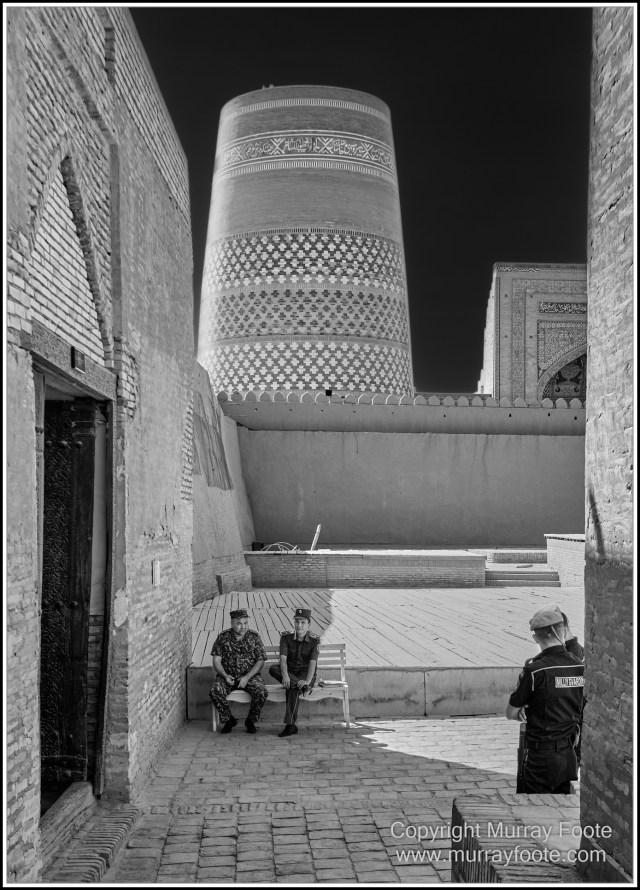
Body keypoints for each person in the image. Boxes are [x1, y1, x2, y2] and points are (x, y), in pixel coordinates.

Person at [507, 605, 584, 794]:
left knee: (534, 810)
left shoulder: (535, 670)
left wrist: (525, 710)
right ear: (562, 632)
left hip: (540, 758)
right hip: (569, 754)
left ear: (535, 638)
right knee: (562, 812)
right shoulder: (580, 666)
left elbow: (510, 712)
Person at [210, 608, 267, 734]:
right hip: (228, 676)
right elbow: (216, 661)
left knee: (261, 692)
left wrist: (247, 677)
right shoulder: (223, 637)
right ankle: (229, 720)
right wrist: (225, 676)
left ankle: (250, 721)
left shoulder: (254, 636)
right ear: (232, 623)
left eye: (245, 623)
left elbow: (260, 660)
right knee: (215, 691)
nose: (243, 626)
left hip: (250, 676)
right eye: (239, 623)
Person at [269, 607, 320, 738]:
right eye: (297, 622)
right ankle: (301, 686)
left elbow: (312, 663)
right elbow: (283, 659)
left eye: (303, 622)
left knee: (291, 687)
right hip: (290, 673)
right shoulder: (286, 637)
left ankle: (290, 726)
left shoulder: (315, 640)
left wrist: (307, 681)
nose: (299, 625)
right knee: (273, 669)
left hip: (305, 673)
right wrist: (285, 675)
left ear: (309, 624)